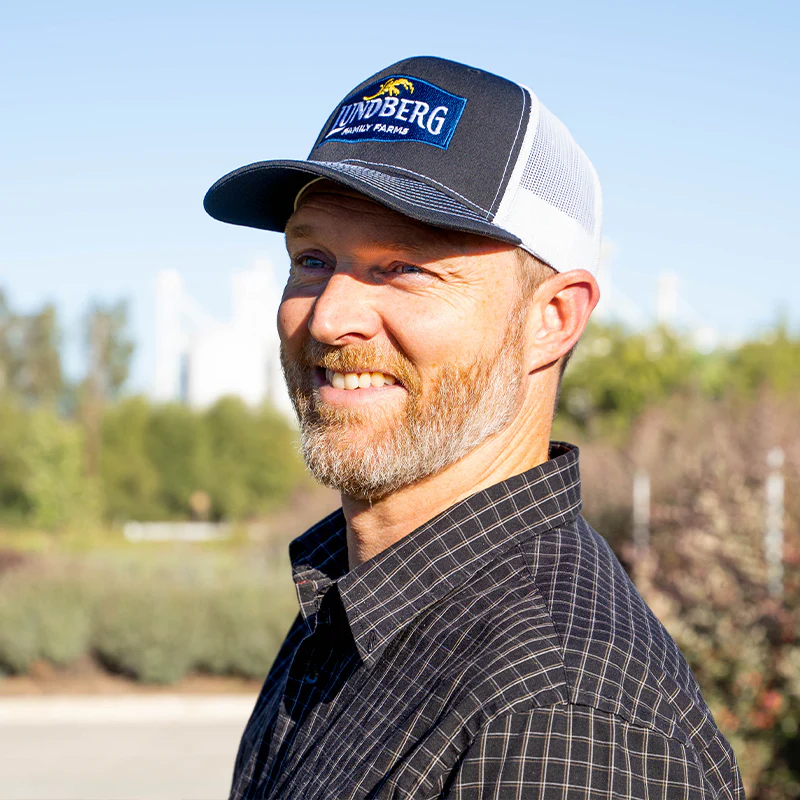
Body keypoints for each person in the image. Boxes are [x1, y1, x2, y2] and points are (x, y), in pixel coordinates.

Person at [204, 56, 744, 799]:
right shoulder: (351, 606)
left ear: (551, 320)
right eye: (312, 258)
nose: (329, 316)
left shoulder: (563, 718)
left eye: (403, 267)